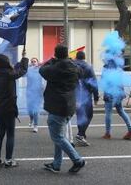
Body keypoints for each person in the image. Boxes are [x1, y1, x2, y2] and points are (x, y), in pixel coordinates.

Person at [39, 44, 85, 174]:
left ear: (56, 54)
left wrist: (52, 60)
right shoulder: (74, 67)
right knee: (59, 136)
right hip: (69, 105)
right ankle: (56, 164)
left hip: (57, 107)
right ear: (67, 54)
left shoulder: (54, 69)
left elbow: (42, 70)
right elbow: (82, 72)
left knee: (58, 137)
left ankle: (78, 160)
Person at [0, 52, 28, 168]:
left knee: (0, 133)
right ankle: (8, 160)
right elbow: (22, 71)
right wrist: (25, 59)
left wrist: (19, 62)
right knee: (10, 134)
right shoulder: (9, 74)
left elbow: (15, 70)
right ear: (5, 63)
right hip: (8, 108)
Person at [102, 59, 131, 140]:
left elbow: (103, 81)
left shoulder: (106, 69)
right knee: (121, 111)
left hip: (110, 94)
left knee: (108, 114)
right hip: (118, 93)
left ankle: (107, 133)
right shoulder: (118, 68)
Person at [73, 51, 99, 146]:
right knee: (89, 115)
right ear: (84, 57)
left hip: (74, 94)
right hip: (86, 95)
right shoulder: (88, 67)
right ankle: (81, 134)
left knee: (80, 115)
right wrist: (96, 97)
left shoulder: (72, 65)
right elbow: (94, 82)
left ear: (76, 57)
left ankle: (81, 134)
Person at [26, 57, 44, 133]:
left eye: (35, 61)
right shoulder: (28, 70)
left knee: (36, 110)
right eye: (32, 61)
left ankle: (35, 126)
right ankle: (31, 119)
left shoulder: (40, 70)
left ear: (37, 62)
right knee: (30, 110)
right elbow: (22, 72)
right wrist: (28, 66)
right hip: (29, 92)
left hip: (38, 92)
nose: (33, 63)